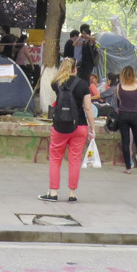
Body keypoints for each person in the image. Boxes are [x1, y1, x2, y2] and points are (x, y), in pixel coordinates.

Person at [40, 58, 93, 202]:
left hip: (59, 126)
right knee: (75, 160)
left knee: (55, 159)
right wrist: (92, 128)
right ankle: (72, 194)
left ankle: (53, 193)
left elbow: (57, 82)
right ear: (75, 69)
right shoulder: (83, 85)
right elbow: (88, 108)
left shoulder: (56, 84)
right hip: (79, 126)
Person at [115, 66, 137, 173]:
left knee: (125, 141)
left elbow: (119, 100)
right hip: (135, 114)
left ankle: (128, 167)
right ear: (134, 74)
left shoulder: (119, 86)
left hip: (123, 114)